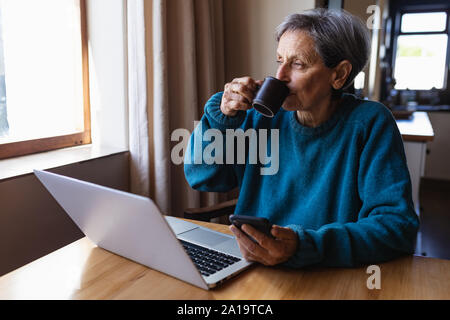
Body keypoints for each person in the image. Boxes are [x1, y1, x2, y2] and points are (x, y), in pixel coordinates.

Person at [184, 8, 419, 268]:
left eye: (298, 64)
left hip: (329, 274)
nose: (280, 76)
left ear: (339, 75)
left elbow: (397, 227)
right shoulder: (261, 116)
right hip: (254, 266)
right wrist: (222, 118)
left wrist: (305, 246)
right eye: (279, 60)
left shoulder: (369, 123)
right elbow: (202, 177)